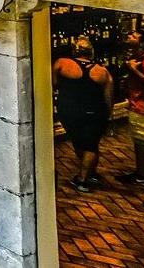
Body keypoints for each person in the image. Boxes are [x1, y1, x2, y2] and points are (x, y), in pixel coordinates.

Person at [55, 37, 113, 192]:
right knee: (91, 144)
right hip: (94, 111)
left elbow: (53, 82)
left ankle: (84, 175)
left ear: (75, 50)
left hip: (70, 111)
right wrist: (109, 116)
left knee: (79, 141)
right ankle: (85, 177)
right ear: (91, 52)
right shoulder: (102, 72)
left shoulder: (62, 63)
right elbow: (108, 97)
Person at [116, 31, 144, 187]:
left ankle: (143, 175)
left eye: (133, 36)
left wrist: (133, 70)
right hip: (137, 105)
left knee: (143, 142)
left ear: (142, 43)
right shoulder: (138, 59)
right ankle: (141, 172)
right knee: (139, 141)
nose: (129, 37)